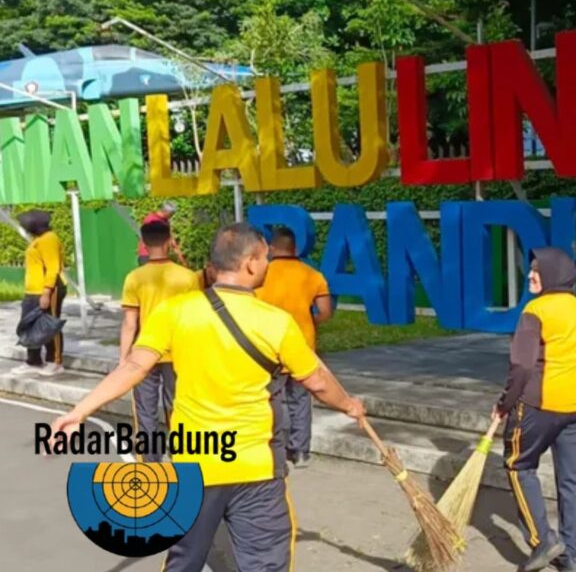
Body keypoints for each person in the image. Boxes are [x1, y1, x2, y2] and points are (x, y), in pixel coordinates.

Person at [48, 223, 366, 572]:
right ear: (250, 263)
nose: (267, 264)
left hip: (194, 465)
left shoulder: (174, 312)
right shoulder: (276, 322)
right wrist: (350, 405)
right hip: (257, 469)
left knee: (184, 562)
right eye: (265, 258)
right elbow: (317, 381)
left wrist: (79, 411)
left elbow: (134, 366)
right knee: (266, 564)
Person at [492, 247, 576, 572]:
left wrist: (504, 404)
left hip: (540, 404)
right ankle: (571, 557)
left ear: (553, 274)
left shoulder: (536, 309)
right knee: (574, 481)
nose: (530, 275)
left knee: (518, 465)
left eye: (536, 270)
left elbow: (522, 366)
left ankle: (543, 541)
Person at [119, 221, 201, 462]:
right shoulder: (187, 277)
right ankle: (181, 453)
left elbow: (130, 323)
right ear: (169, 241)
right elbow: (194, 318)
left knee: (145, 408)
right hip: (177, 352)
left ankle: (150, 460)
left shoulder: (134, 278)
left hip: (144, 352)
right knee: (178, 404)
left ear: (144, 244)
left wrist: (124, 358)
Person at [256, 226, 334, 469]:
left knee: (271, 399)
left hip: (269, 347)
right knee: (300, 399)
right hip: (303, 347)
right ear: (295, 248)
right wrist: (310, 323)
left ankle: (274, 449)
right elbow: (325, 311)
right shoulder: (313, 275)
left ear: (271, 248)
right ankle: (300, 451)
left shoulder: (261, 275)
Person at [12, 210, 67, 376]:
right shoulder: (38, 240)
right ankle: (33, 360)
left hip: (48, 289)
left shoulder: (49, 239)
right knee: (29, 325)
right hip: (32, 291)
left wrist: (46, 292)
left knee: (49, 324)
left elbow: (53, 268)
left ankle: (55, 361)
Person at [137, 201, 186, 266]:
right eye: (171, 215)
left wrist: (184, 263)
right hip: (147, 256)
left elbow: (172, 242)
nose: (172, 217)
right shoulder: (151, 220)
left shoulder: (165, 222)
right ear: (167, 212)